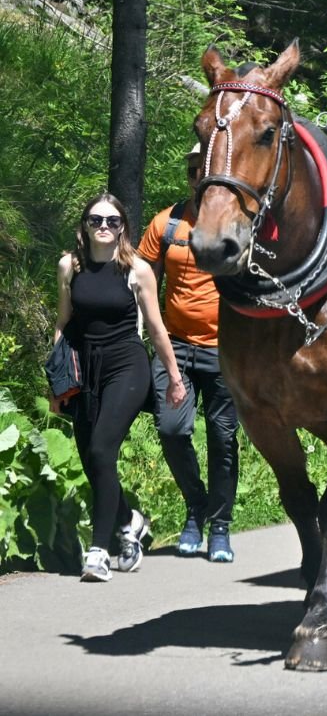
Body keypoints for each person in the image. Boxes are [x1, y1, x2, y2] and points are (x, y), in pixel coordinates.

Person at [52, 193, 186, 582]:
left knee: (101, 449)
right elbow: (63, 322)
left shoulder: (137, 269)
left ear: (123, 227)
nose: (104, 227)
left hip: (126, 366)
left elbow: (157, 328)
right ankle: (130, 521)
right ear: (85, 225)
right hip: (84, 367)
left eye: (112, 221)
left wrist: (174, 377)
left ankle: (99, 552)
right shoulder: (69, 266)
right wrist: (56, 380)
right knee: (91, 460)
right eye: (96, 220)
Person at [137, 146, 242, 562]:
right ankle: (196, 506)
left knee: (223, 439)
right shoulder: (166, 224)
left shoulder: (237, 226)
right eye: (194, 170)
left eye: (207, 169)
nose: (200, 176)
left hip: (225, 349)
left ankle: (220, 526)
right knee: (172, 430)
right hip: (175, 347)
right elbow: (142, 282)